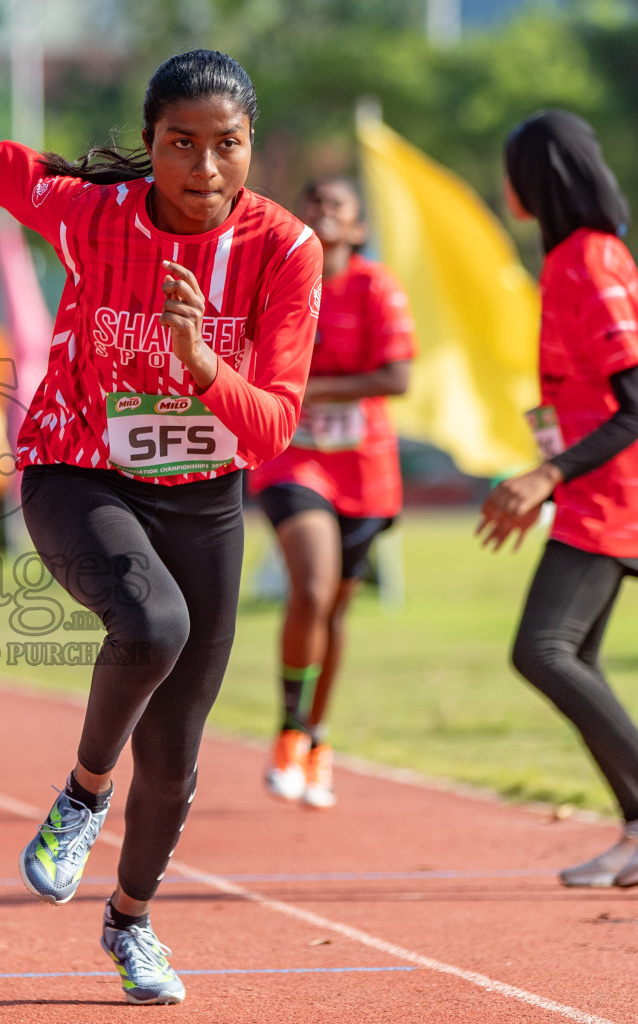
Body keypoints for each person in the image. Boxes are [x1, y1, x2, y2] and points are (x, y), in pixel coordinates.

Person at [0, 50, 320, 1004]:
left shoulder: (284, 250)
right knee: (152, 626)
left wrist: (199, 366)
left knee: (178, 758)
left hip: (204, 493)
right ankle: (83, 792)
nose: (205, 168)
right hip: (76, 467)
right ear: (148, 147)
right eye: (181, 145)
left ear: (250, 147)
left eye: (228, 146)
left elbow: (271, 428)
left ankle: (132, 920)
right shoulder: (91, 210)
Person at [480, 110, 638, 888]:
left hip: (620, 483)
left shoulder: (590, 260)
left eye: (509, 169)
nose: (503, 185)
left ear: (536, 179)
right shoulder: (571, 259)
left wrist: (543, 479)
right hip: (596, 480)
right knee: (574, 653)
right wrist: (546, 478)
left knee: (543, 649)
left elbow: (635, 407)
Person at [250, 177, 414, 809]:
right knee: (311, 589)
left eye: (335, 207)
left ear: (357, 230)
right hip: (293, 461)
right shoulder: (282, 279)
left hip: (365, 474)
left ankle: (318, 736)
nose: (321, 212)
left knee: (335, 611)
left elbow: (397, 376)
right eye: (312, 203)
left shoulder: (377, 287)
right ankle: (289, 729)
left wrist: (311, 391)